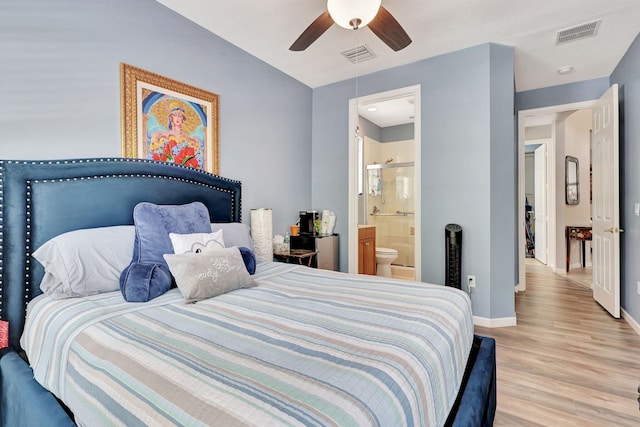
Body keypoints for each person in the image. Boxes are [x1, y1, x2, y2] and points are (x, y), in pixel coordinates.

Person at [148, 104, 204, 169]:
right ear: (171, 118)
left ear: (183, 119)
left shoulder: (190, 141)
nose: (177, 118)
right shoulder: (163, 137)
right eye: (175, 115)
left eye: (180, 116)